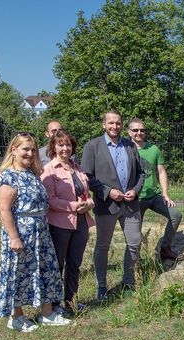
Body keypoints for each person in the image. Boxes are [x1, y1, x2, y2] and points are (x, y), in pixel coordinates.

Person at [0, 132, 71, 331]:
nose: (30, 153)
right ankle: (16, 317)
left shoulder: (32, 174)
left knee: (46, 271)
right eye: (25, 149)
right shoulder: (9, 177)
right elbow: (4, 209)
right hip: (21, 233)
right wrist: (14, 237)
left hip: (40, 233)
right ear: (14, 150)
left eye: (33, 150)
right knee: (18, 274)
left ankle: (47, 314)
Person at [81, 110, 146, 301]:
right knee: (103, 246)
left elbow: (141, 173)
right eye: (111, 123)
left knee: (134, 243)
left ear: (122, 125)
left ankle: (129, 282)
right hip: (106, 205)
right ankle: (102, 286)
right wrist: (108, 191)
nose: (114, 126)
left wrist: (135, 190)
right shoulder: (92, 146)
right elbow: (86, 176)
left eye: (118, 123)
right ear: (104, 124)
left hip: (130, 204)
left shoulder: (130, 145)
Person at [41, 130, 95, 314]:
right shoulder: (48, 170)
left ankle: (71, 302)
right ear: (53, 147)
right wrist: (73, 206)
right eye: (61, 144)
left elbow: (86, 194)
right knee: (57, 265)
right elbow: (50, 200)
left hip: (81, 223)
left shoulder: (78, 168)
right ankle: (54, 305)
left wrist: (89, 204)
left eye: (68, 144)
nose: (65, 148)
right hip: (59, 225)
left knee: (74, 264)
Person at [127, 118, 184, 261]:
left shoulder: (154, 149)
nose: (139, 133)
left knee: (176, 215)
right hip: (135, 199)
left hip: (154, 196)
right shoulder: (125, 149)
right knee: (135, 232)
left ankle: (165, 249)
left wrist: (165, 194)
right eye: (135, 130)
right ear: (129, 132)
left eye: (142, 130)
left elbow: (161, 172)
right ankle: (136, 261)